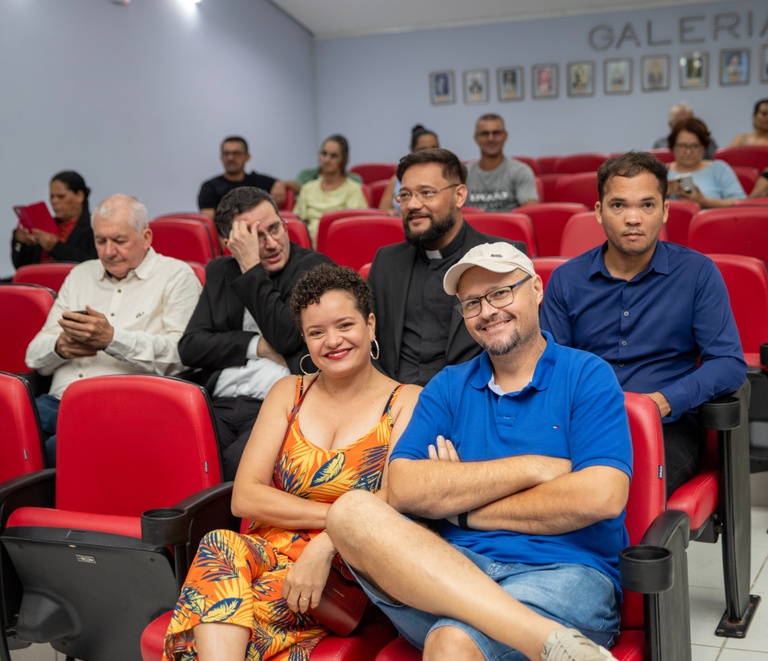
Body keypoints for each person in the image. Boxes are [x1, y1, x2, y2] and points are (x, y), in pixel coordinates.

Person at [326, 243, 631, 661]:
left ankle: (537, 636)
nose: (487, 311)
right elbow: (404, 488)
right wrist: (533, 468)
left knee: (452, 641)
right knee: (350, 511)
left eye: (501, 293)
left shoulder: (587, 375)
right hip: (447, 570)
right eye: (472, 303)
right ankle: (547, 641)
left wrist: (460, 510)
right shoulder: (447, 386)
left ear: (536, 289)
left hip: (563, 573)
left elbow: (601, 496)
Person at [161, 263, 421, 661]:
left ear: (370, 325)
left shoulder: (406, 401)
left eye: (345, 325)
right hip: (264, 552)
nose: (332, 341)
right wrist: (339, 516)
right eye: (316, 332)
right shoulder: (288, 392)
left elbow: (394, 502)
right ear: (304, 339)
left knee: (215, 619)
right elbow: (245, 498)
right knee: (218, 544)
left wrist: (328, 541)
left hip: (343, 568)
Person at [540, 151, 746, 497]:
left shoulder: (697, 273)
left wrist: (662, 401)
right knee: (540, 485)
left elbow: (728, 363)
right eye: (618, 205)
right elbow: (551, 367)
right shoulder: (566, 280)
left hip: (667, 427)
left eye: (647, 205)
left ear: (665, 210)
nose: (633, 218)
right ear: (599, 212)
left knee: (622, 492)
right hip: (583, 424)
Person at [25, 194, 202, 467]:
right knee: (10, 428)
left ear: (146, 237)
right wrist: (59, 348)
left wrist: (111, 339)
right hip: (58, 400)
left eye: (119, 240)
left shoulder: (177, 277)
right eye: (100, 241)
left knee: (51, 449)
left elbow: (182, 355)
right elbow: (32, 355)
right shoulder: (81, 275)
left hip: (123, 407)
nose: (108, 252)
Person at [178, 187, 331, 480]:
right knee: (180, 452)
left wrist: (251, 266)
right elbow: (190, 346)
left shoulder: (313, 269)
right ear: (232, 244)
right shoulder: (220, 271)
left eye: (275, 228)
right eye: (256, 238)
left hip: (278, 405)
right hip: (219, 401)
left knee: (237, 463)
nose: (272, 243)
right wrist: (256, 345)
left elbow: (286, 336)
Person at [368, 147, 527, 386]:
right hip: (392, 399)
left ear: (459, 196)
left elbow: (519, 350)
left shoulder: (503, 257)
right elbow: (366, 340)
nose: (412, 204)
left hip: (473, 397)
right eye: (405, 195)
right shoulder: (386, 261)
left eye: (426, 193)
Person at [11, 171, 97, 269]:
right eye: (52, 197)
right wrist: (20, 241)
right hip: (37, 276)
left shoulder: (94, 227)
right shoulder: (45, 225)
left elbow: (94, 265)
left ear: (79, 196)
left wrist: (55, 247)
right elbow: (20, 266)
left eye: (61, 196)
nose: (54, 201)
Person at [293, 134, 368, 244]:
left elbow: (357, 227)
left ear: (345, 159)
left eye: (334, 156)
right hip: (308, 245)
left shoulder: (353, 190)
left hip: (341, 243)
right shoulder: (307, 188)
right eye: (324, 154)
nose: (327, 160)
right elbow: (298, 221)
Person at [197, 136, 298, 217]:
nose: (230, 158)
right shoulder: (210, 187)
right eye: (226, 153)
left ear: (247, 157)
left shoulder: (258, 181)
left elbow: (300, 189)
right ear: (221, 157)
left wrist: (282, 184)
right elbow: (209, 223)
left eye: (236, 153)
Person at [666, 117, 746, 207]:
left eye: (694, 146)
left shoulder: (719, 169)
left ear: (704, 147)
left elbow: (741, 202)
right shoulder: (662, 172)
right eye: (682, 146)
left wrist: (704, 201)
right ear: (672, 146)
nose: (688, 151)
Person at [466, 114, 538, 212]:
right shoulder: (463, 174)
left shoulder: (521, 172)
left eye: (496, 133)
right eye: (484, 134)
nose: (491, 138)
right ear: (476, 138)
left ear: (505, 136)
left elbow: (531, 213)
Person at [378, 124, 439, 214]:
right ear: (412, 151)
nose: (429, 153)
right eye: (423, 149)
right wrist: (391, 213)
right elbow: (381, 214)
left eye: (434, 148)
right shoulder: (397, 180)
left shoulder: (447, 177)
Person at [652, 102, 718, 159]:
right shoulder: (660, 145)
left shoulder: (707, 142)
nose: (685, 127)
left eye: (689, 123)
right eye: (680, 124)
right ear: (670, 125)